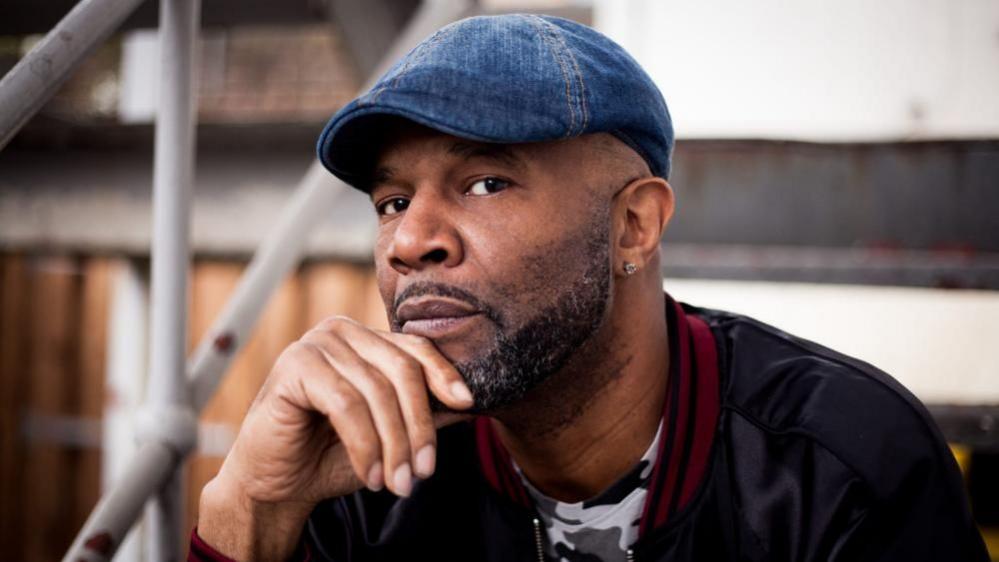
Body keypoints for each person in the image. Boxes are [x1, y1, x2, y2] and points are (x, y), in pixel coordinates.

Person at [189, 14, 989, 562]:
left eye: (485, 183)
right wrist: (252, 508)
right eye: (391, 202)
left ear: (633, 226)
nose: (408, 240)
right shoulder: (367, 474)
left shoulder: (841, 467)